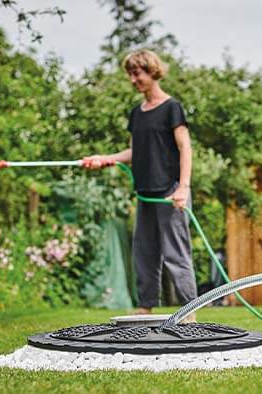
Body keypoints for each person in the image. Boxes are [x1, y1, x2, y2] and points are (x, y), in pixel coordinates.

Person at [83, 49, 197, 318]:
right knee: (143, 255)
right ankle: (145, 307)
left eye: (138, 73)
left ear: (152, 72)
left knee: (176, 255)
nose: (134, 79)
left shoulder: (172, 108)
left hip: (170, 193)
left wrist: (183, 187)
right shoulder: (137, 113)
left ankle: (190, 311)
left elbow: (185, 148)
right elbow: (134, 152)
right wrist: (105, 159)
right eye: (130, 74)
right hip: (145, 194)